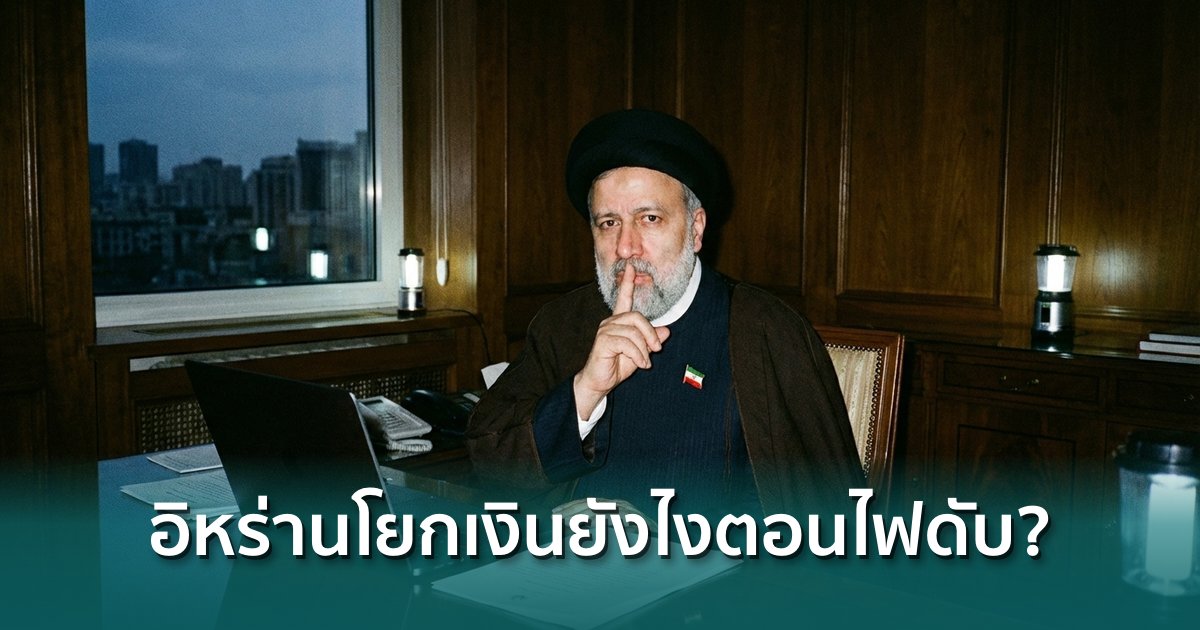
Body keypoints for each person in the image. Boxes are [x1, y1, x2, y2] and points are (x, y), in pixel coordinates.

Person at [466, 109, 862, 518]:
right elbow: (491, 465)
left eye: (649, 219)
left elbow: (827, 516)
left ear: (695, 229)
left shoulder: (766, 331)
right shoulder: (563, 323)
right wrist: (584, 391)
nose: (625, 247)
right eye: (608, 223)